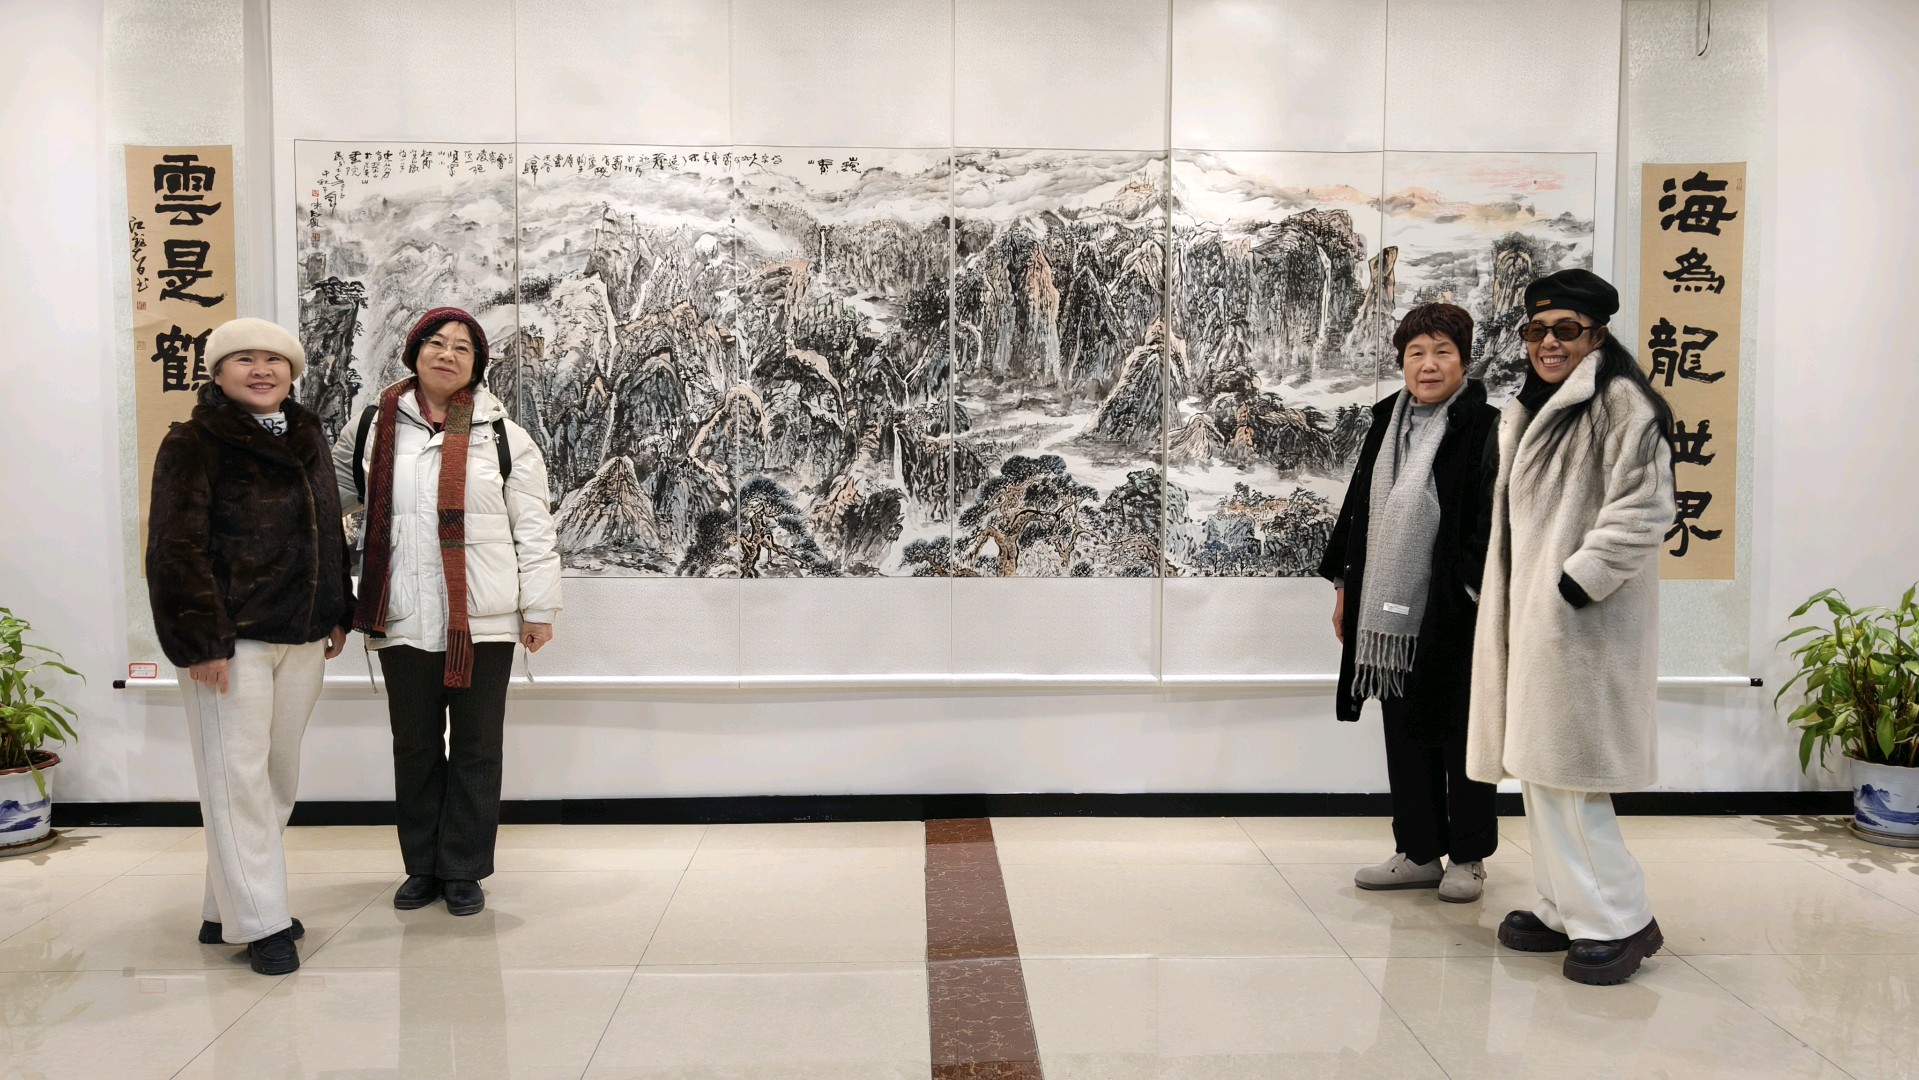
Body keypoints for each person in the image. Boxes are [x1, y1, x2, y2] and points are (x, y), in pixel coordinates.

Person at [1469, 268, 1676, 985]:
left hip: (1583, 627)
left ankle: (1620, 920)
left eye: (1565, 330)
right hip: (1536, 624)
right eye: (1536, 330)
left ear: (1597, 333)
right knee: (1541, 773)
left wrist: (1575, 583)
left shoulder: (1621, 403)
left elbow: (1645, 509)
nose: (1548, 343)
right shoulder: (1532, 404)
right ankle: (1564, 907)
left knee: (1572, 780)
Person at [335, 307, 561, 917]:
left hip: (484, 619)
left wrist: (539, 607)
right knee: (413, 746)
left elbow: (534, 529)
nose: (447, 354)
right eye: (435, 343)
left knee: (477, 747)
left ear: (477, 365)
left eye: (463, 347)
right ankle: (422, 865)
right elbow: (329, 504)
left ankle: (463, 868)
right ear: (413, 353)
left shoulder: (505, 436)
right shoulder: (372, 428)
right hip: (402, 613)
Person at [147, 317, 355, 976]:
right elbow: (175, 548)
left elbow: (328, 527)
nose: (261, 370)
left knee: (274, 779)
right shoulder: (192, 442)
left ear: (292, 372)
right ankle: (262, 922)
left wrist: (337, 610)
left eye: (274, 359)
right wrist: (201, 640)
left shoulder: (307, 433)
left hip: (303, 634)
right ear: (217, 372)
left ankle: (225, 908)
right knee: (235, 779)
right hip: (230, 641)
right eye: (244, 359)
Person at [1321, 303, 1501, 903]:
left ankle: (1469, 856)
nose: (1428, 365)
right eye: (1416, 353)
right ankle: (1418, 851)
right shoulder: (1385, 422)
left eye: (1442, 352)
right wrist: (1346, 587)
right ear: (1402, 362)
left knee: (1460, 733)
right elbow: (1358, 510)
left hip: (1454, 608)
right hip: (1387, 611)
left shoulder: (1487, 426)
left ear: (1464, 361)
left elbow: (1495, 521)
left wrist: (1469, 590)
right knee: (1403, 728)